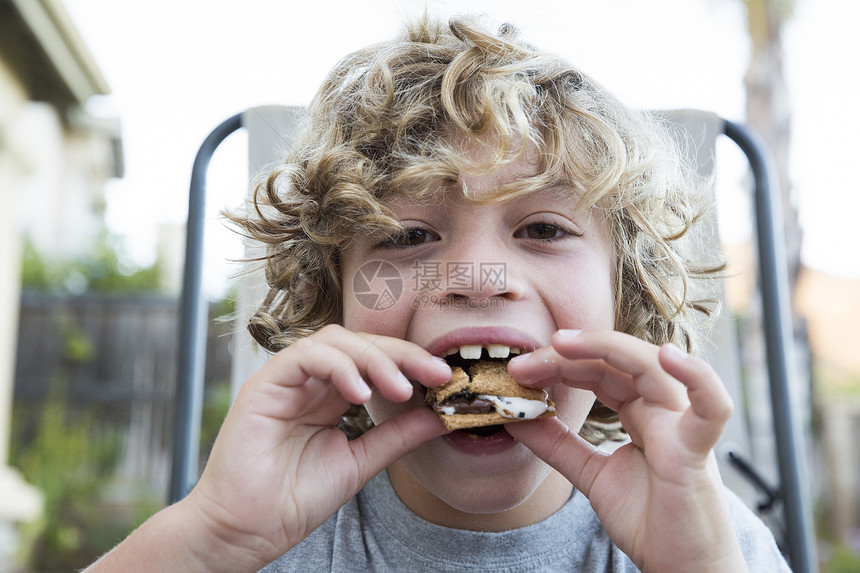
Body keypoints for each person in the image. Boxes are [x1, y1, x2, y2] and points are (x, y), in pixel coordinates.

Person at [86, 15, 791, 572]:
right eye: (405, 234)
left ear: (624, 302)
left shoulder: (704, 534)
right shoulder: (251, 540)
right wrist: (211, 539)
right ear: (331, 312)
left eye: (543, 226)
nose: (475, 275)